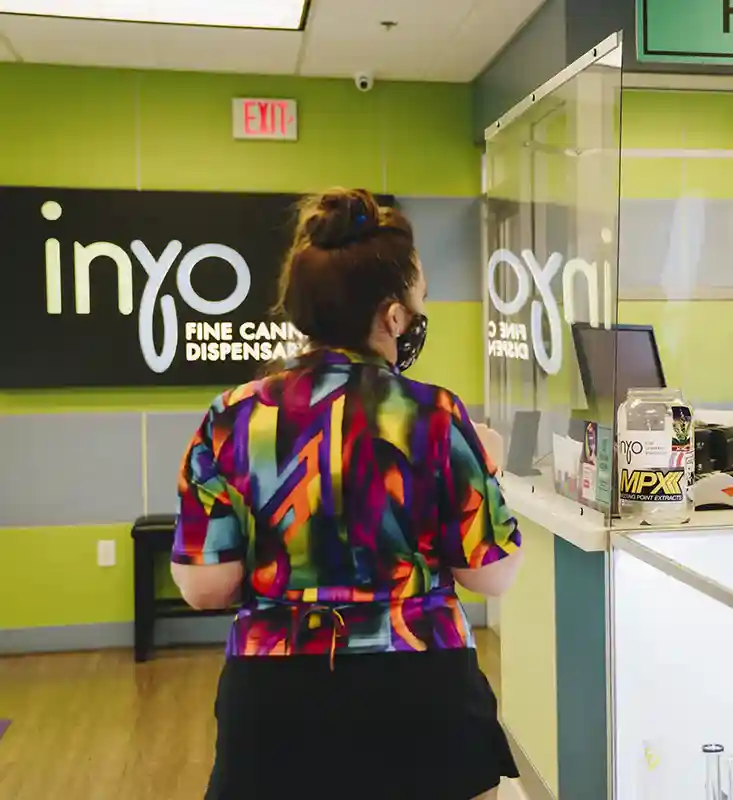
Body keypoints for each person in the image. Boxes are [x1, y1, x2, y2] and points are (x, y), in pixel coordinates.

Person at [169, 188, 524, 800]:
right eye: (419, 303)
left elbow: (203, 587)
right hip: (420, 693)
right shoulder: (436, 415)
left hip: (275, 701)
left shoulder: (232, 416)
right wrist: (487, 468)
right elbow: (490, 574)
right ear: (392, 316)